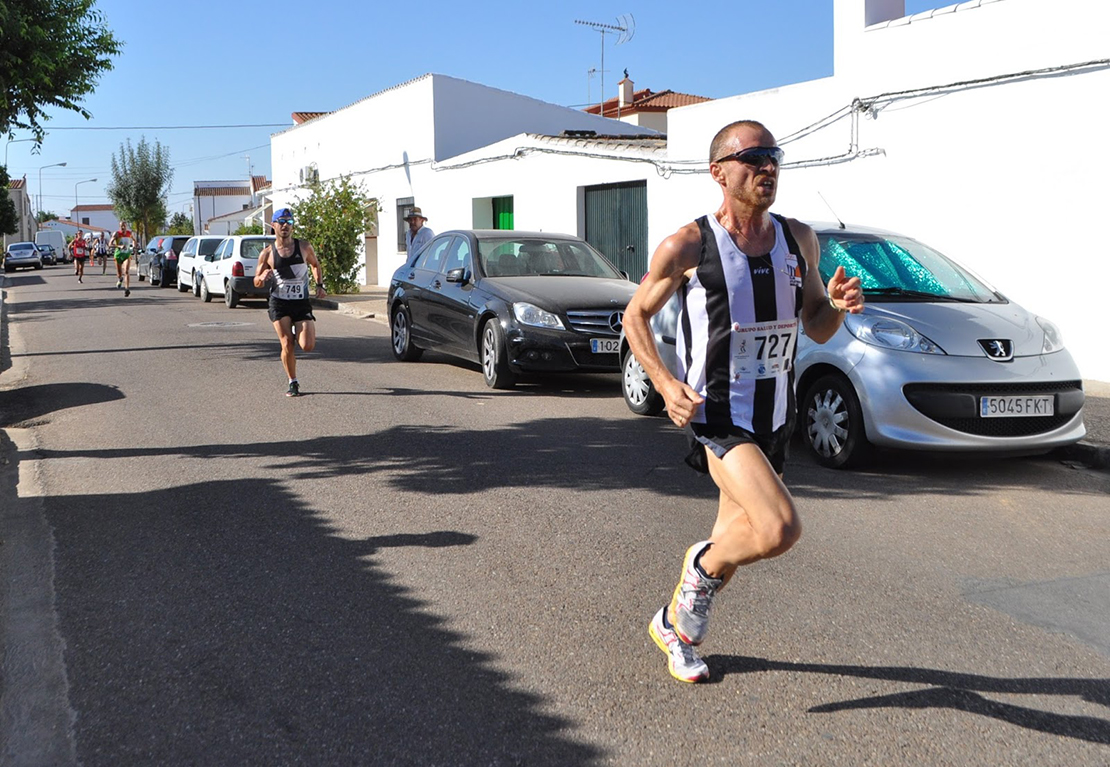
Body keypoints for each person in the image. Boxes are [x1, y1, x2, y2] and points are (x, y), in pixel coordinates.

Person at [623, 120, 864, 683]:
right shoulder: (687, 244)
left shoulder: (798, 237)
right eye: (753, 157)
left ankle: (676, 628)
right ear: (719, 172)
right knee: (778, 529)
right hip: (719, 415)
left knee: (740, 537)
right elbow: (635, 316)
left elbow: (817, 326)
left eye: (773, 156)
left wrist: (838, 304)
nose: (768, 167)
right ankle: (697, 573)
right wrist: (663, 383)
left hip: (775, 414)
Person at [253, 208, 326, 397]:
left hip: (300, 302)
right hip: (279, 303)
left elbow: (315, 265)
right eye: (281, 222)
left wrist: (320, 285)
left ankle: (296, 331)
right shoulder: (267, 253)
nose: (285, 225)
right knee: (286, 343)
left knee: (307, 345)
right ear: (273, 225)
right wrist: (262, 275)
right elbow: (256, 281)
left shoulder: (304, 247)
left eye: (289, 222)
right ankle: (293, 381)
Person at [109, 221, 136, 297]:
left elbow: (134, 240)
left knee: (126, 271)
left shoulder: (129, 233)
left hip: (127, 255)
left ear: (126, 226)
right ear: (119, 226)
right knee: (119, 274)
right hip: (118, 255)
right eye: (121, 226)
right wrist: (119, 246)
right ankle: (120, 279)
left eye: (124, 226)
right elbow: (110, 244)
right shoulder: (116, 234)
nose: (123, 227)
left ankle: (127, 289)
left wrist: (134, 246)